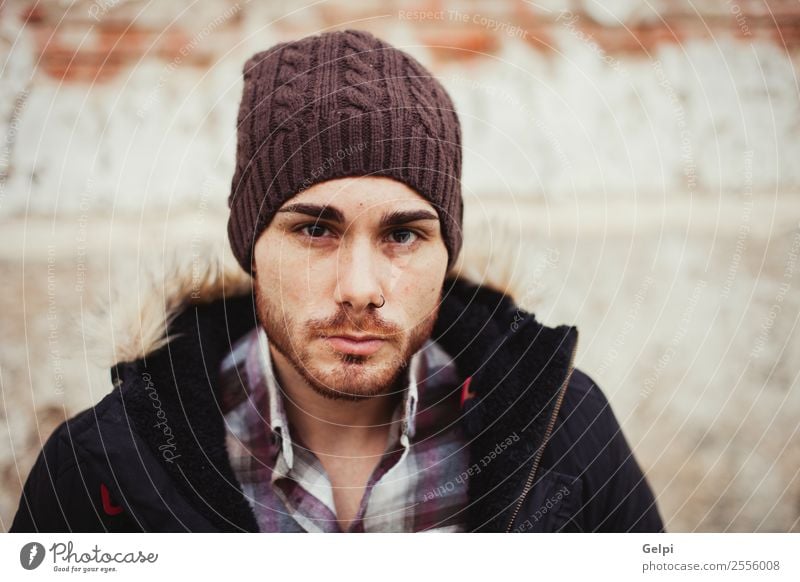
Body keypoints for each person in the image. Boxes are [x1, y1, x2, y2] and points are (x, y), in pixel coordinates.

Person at [11, 29, 663, 533]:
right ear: (252, 246)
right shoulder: (106, 464)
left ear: (447, 252)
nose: (359, 287)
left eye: (403, 234)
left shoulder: (566, 433)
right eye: (316, 230)